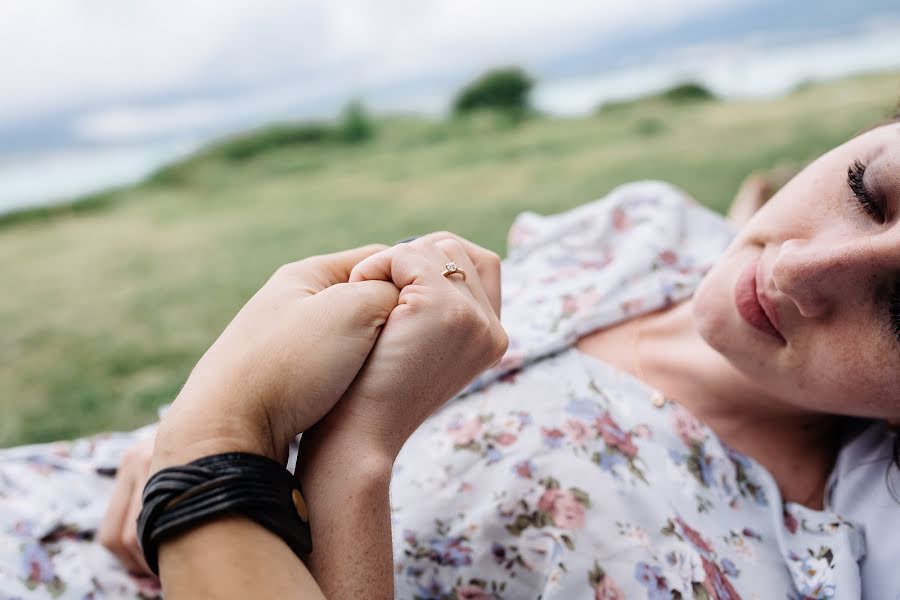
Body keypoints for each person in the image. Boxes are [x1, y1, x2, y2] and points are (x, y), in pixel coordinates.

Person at [1, 117, 899, 599]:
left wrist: (235, 460)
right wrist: (175, 432)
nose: (798, 269)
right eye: (868, 190)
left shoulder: (766, 567)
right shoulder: (643, 231)